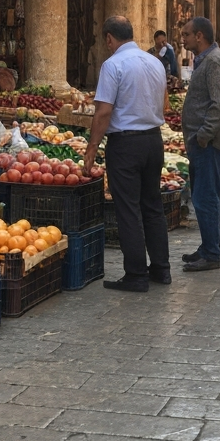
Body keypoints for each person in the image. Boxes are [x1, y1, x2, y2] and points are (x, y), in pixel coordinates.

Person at [86, 16, 170, 292]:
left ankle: (135, 274)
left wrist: (91, 149)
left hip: (126, 145)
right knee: (152, 205)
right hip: (153, 140)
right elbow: (166, 104)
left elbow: (104, 112)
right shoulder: (154, 62)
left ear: (109, 38)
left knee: (128, 209)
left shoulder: (113, 65)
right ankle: (161, 268)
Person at [179, 17, 220, 271]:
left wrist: (203, 134)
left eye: (186, 34)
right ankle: (210, 245)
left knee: (204, 198)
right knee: (206, 195)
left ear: (199, 36)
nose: (183, 38)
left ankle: (211, 252)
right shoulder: (208, 60)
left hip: (208, 144)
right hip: (203, 142)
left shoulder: (213, 62)